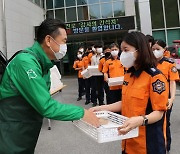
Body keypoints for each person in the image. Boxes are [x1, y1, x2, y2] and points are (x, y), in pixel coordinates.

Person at [0, 19, 99, 153]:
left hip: (24, 133)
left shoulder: (42, 64)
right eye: (64, 41)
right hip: (10, 136)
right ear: (48, 40)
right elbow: (46, 106)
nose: (65, 46)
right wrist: (81, 113)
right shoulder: (26, 63)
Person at [90, 32, 169, 154]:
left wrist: (141, 120)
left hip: (148, 143)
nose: (122, 54)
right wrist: (102, 108)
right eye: (122, 50)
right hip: (128, 139)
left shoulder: (155, 77)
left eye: (126, 50)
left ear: (140, 50)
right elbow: (126, 102)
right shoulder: (128, 75)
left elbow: (160, 112)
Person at [152, 39, 179, 153]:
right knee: (154, 124)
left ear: (164, 50)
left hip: (165, 98)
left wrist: (172, 98)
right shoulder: (149, 63)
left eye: (158, 49)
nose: (155, 51)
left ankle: (166, 148)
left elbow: (172, 82)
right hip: (152, 98)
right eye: (153, 49)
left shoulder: (169, 63)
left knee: (165, 123)